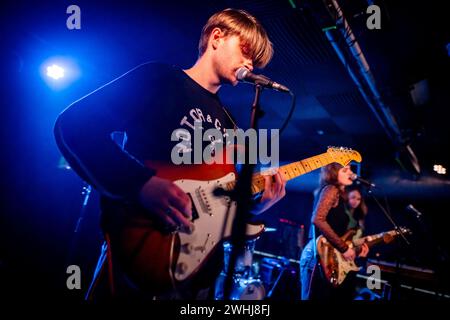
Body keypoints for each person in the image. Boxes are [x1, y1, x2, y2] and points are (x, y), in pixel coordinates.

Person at [54, 8, 286, 300]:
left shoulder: (228, 122)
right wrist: (140, 184)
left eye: (255, 60)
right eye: (246, 51)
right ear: (217, 37)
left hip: (200, 277)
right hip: (144, 253)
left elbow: (219, 201)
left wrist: (254, 209)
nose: (250, 64)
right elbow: (75, 126)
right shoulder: (159, 78)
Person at [299, 163, 369, 300]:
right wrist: (344, 248)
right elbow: (317, 219)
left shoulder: (339, 196)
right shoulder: (331, 189)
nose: (350, 172)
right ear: (333, 173)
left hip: (326, 256)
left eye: (350, 169)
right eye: (345, 170)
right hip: (317, 257)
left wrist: (356, 249)